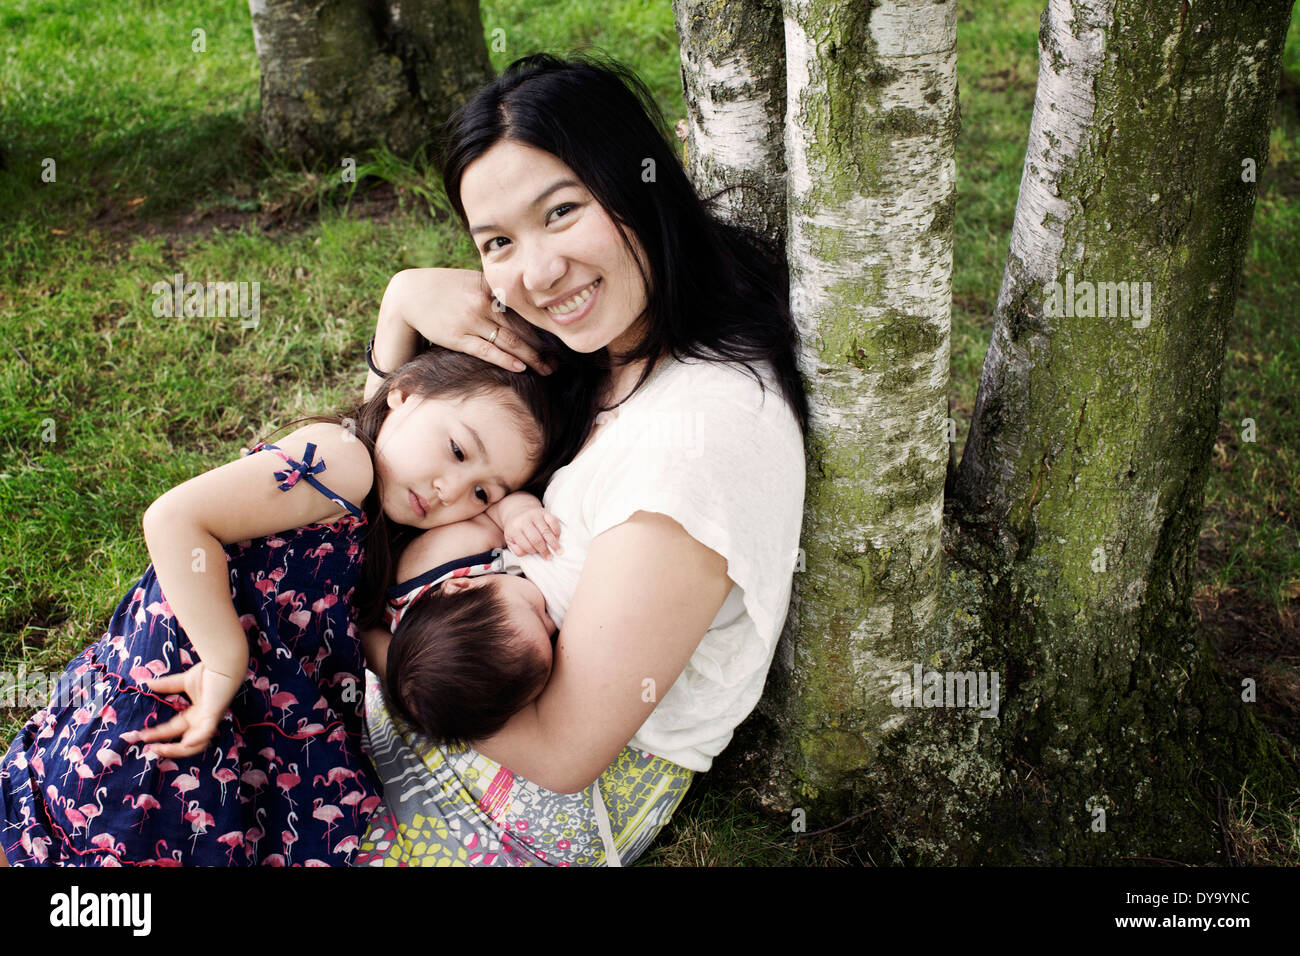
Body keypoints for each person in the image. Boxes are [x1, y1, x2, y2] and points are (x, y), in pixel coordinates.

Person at [355, 51, 809, 867]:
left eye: (561, 212)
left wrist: (365, 634)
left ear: (638, 185)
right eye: (497, 241)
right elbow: (379, 480)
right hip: (435, 696)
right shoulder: (587, 354)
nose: (536, 273)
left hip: (510, 794)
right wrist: (398, 315)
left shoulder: (703, 437)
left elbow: (565, 752)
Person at [0, 347, 584, 866]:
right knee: (127, 810)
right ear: (403, 395)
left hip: (256, 694)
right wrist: (225, 658)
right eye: (457, 451)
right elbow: (174, 519)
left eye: (482, 490)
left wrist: (512, 510)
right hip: (195, 659)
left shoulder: (386, 506)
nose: (450, 491)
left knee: (194, 817)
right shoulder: (344, 462)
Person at [372, 485, 567, 748]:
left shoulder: (444, 554)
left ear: (462, 584)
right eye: (549, 636)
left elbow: (497, 512)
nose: (553, 624)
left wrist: (520, 516)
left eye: (536, 612)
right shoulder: (473, 659)